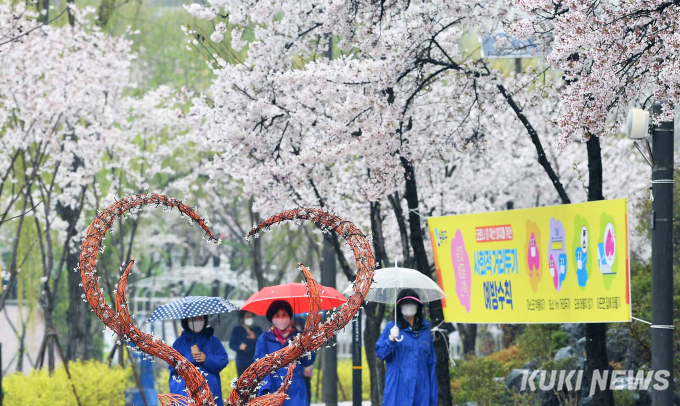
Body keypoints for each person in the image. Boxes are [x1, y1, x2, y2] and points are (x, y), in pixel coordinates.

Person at [376, 289, 438, 406]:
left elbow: (431, 364)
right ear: (399, 306)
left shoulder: (425, 331)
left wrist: (433, 398)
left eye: (412, 302)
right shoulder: (392, 327)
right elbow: (380, 353)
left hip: (421, 393)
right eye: (405, 302)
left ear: (418, 306)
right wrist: (390, 340)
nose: (409, 305)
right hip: (398, 391)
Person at [254, 300, 316, 404]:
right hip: (273, 390)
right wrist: (265, 390)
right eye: (277, 315)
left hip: (296, 391)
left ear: (289, 316)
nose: (281, 319)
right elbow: (260, 366)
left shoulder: (299, 337)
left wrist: (301, 346)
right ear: (272, 318)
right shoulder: (264, 339)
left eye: (284, 315)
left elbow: (309, 361)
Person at [169, 315, 229, 406]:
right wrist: (190, 357)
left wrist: (207, 359)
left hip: (210, 391)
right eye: (193, 319)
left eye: (200, 318)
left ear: (205, 319)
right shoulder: (179, 343)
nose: (197, 321)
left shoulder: (213, 340)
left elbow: (223, 360)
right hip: (186, 394)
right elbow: (174, 367)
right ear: (186, 320)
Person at [229, 310, 262, 377]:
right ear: (243, 317)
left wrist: (255, 337)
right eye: (247, 316)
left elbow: (262, 343)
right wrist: (239, 347)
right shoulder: (237, 330)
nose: (249, 318)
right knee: (242, 383)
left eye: (251, 316)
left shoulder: (257, 329)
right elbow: (231, 344)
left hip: (255, 361)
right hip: (241, 362)